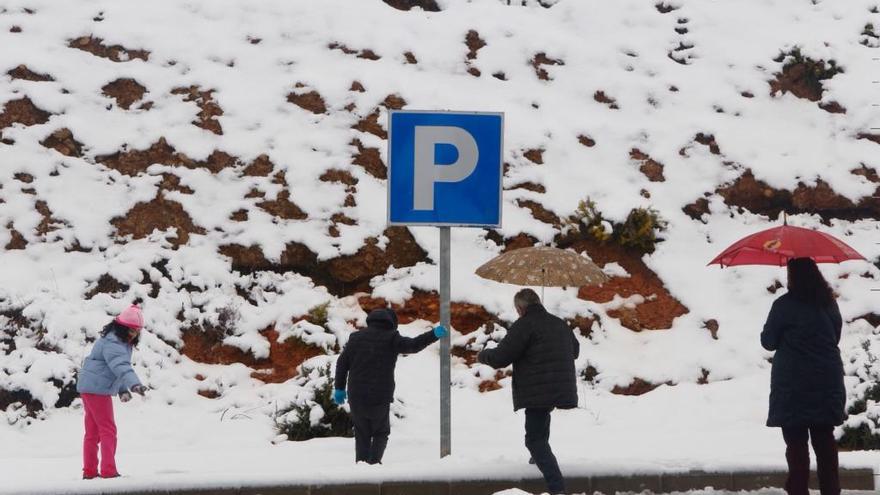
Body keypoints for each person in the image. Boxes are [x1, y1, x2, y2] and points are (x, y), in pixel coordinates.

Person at [478, 288, 579, 495]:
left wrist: (483, 355)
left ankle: (557, 488)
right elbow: (575, 350)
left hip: (538, 388)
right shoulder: (559, 323)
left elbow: (500, 358)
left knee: (534, 440)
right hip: (557, 385)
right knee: (540, 424)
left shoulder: (524, 325)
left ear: (520, 308)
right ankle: (537, 459)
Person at [761, 257, 845, 495]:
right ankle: (831, 491)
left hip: (792, 385)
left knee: (796, 446)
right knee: (825, 443)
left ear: (793, 278)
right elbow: (834, 337)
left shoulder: (783, 306)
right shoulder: (829, 303)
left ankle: (798, 490)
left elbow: (768, 342)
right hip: (827, 381)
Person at [333, 308, 447, 464]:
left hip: (356, 394)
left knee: (362, 433)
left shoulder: (356, 338)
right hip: (379, 395)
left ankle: (361, 467)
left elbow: (342, 363)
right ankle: (373, 464)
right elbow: (413, 345)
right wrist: (433, 334)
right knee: (380, 432)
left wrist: (339, 388)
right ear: (391, 322)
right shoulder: (391, 337)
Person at [76, 304, 148, 480]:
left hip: (90, 387)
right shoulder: (114, 343)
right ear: (121, 327)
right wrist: (134, 384)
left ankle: (90, 471)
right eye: (131, 330)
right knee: (108, 430)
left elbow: (111, 369)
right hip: (97, 390)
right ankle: (109, 470)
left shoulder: (115, 340)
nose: (134, 334)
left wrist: (122, 389)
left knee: (92, 433)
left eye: (137, 331)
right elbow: (120, 366)